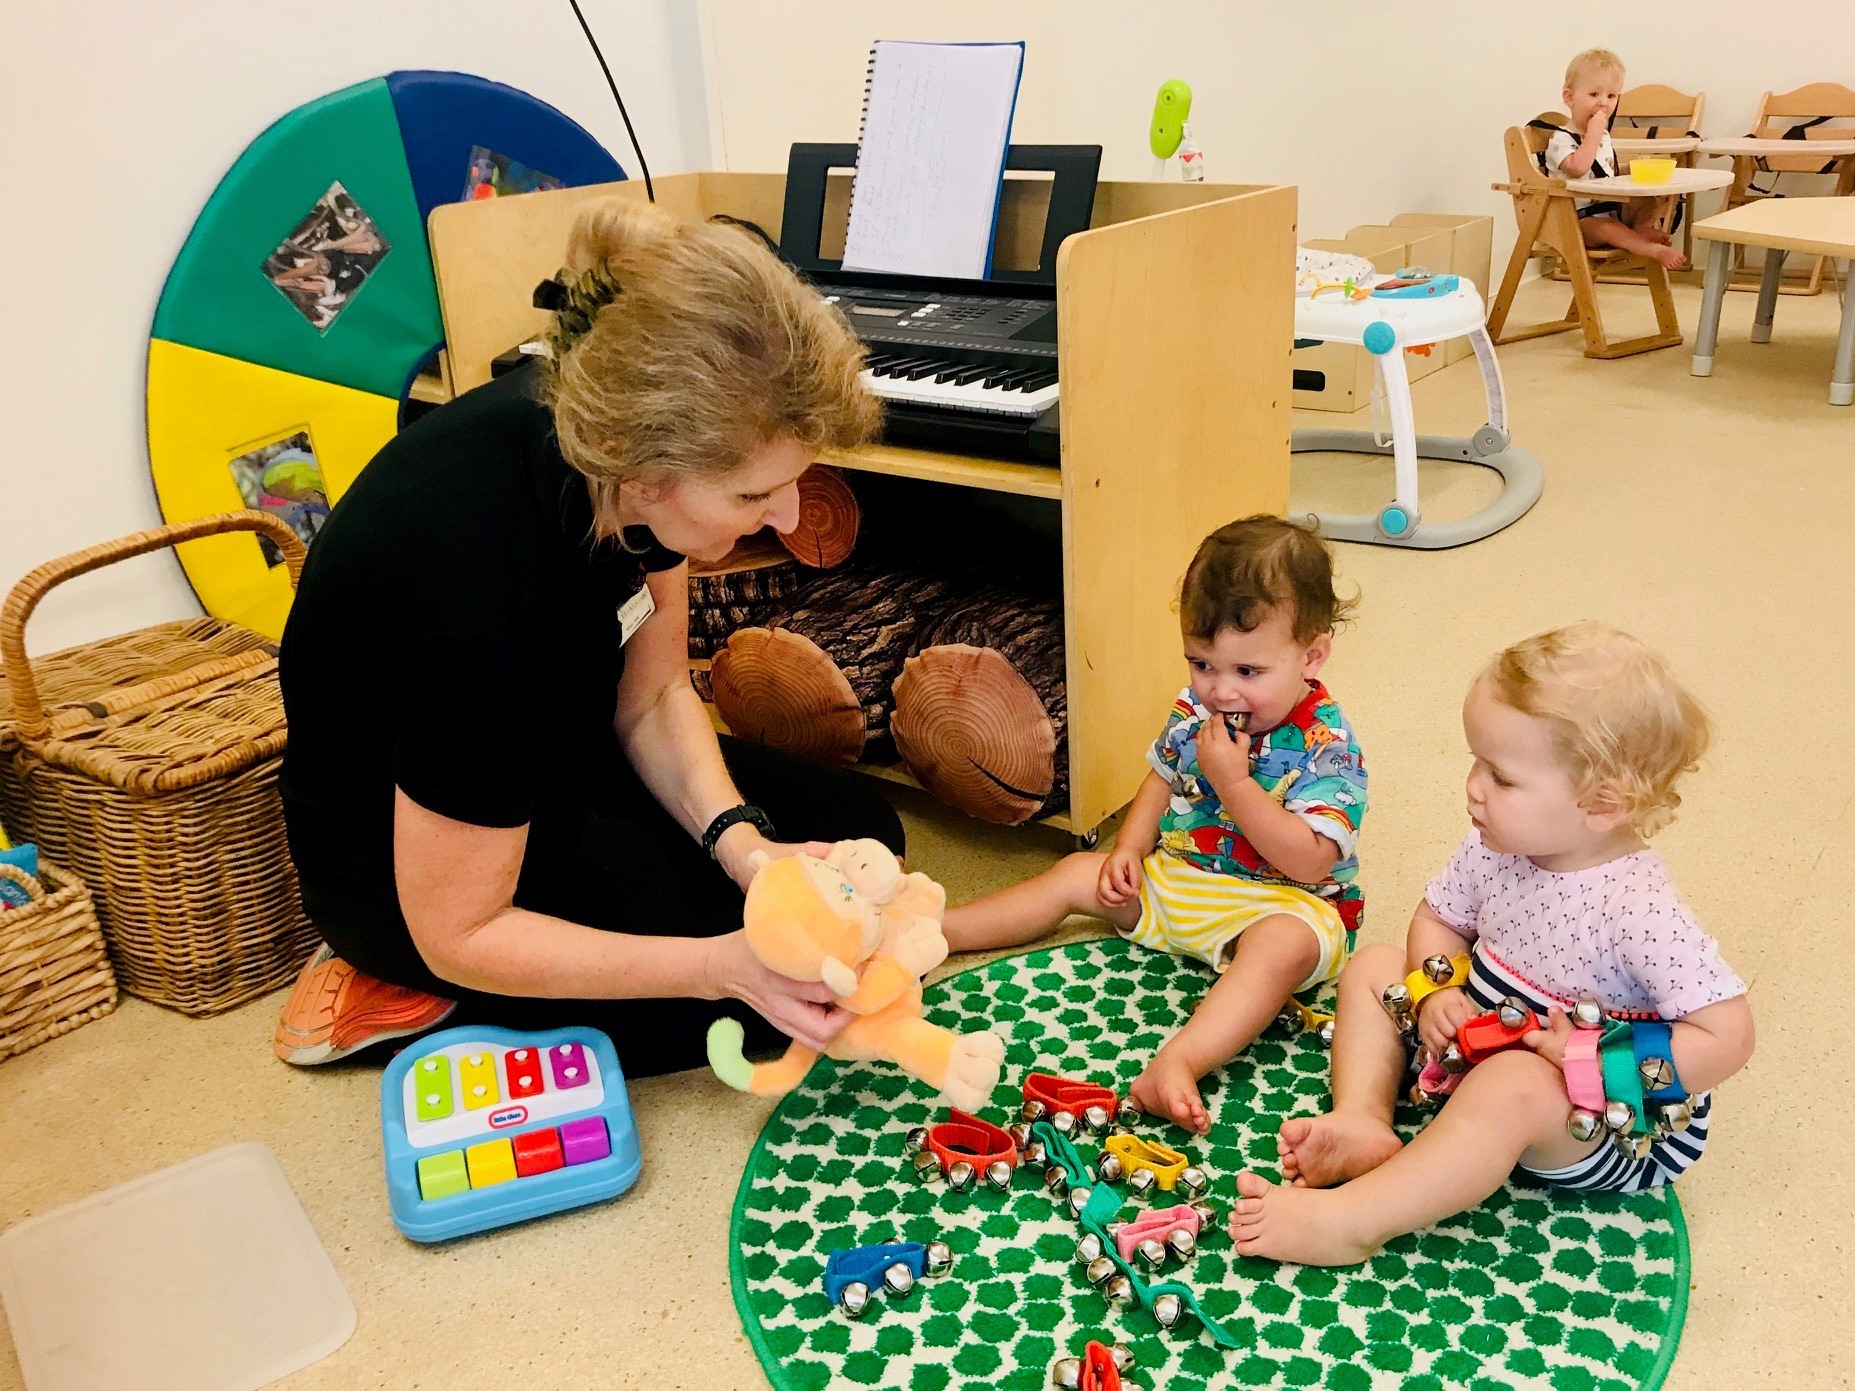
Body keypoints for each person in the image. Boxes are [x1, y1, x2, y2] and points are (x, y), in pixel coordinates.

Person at [272, 197, 904, 1074]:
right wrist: (722, 970)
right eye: (755, 496)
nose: (790, 516)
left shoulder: (626, 457)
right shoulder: (481, 611)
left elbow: (650, 698)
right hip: (405, 867)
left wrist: (745, 845)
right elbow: (462, 927)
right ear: (644, 474)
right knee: (751, 997)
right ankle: (396, 994)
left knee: (855, 830)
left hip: (546, 757)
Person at [1232, 624, 1754, 1266]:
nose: (1474, 786)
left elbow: (1729, 1036)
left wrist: (1588, 1060)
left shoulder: (1639, 911)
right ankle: (1363, 1117)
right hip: (1469, 1040)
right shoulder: (1494, 845)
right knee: (1373, 966)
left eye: (1502, 777)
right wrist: (1436, 988)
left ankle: (1351, 1222)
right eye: (1475, 761)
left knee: (1511, 1086)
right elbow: (1438, 919)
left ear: (1603, 803)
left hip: (1594, 1121)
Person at [941, 516, 1367, 1133]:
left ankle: (1180, 1061)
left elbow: (1311, 861)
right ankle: (941, 932)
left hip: (1286, 902)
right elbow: (1161, 777)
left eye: (1248, 672)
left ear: (1313, 655)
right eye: (1201, 664)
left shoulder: (1329, 744)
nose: (1220, 691)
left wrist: (1235, 784)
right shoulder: (1197, 706)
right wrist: (1130, 850)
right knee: (1075, 874)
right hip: (1183, 879)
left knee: (1281, 950)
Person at [1541, 49, 1687, 271]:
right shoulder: (1561, 139)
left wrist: (1635, 170)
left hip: (1609, 208)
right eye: (1594, 95)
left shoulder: (1603, 136)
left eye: (1611, 96)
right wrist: (1593, 134)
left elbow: (1605, 172)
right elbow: (1579, 168)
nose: (1603, 103)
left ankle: (1638, 232)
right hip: (1575, 220)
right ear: (1569, 98)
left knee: (1648, 200)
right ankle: (1651, 250)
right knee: (1607, 227)